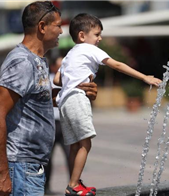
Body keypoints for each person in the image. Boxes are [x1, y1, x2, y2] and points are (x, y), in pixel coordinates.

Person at [0, 2, 98, 196]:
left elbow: (38, 101)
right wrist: (2, 173)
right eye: (57, 25)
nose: (61, 32)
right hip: (18, 165)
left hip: (28, 166)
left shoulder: (37, 60)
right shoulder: (21, 61)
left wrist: (78, 93)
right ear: (42, 27)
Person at [53, 13, 162, 196]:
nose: (100, 38)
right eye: (96, 34)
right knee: (85, 144)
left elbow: (57, 80)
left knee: (74, 145)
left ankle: (74, 183)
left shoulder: (70, 54)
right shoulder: (90, 49)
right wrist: (145, 77)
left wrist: (74, 78)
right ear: (82, 36)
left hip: (64, 101)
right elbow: (117, 65)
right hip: (77, 99)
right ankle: (73, 186)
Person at [45, 56, 70, 195]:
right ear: (54, 67)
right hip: (51, 124)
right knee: (48, 158)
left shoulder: (69, 80)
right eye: (60, 66)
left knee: (71, 155)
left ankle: (73, 186)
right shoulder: (47, 79)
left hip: (65, 123)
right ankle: (46, 186)